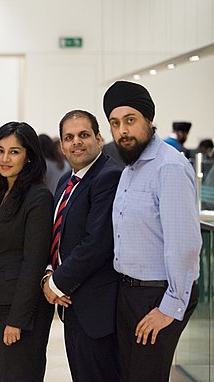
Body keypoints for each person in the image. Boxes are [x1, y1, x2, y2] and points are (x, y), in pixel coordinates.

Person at [103, 80, 201, 382]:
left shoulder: (168, 167)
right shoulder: (132, 168)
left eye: (130, 121)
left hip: (158, 295)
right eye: (115, 123)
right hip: (130, 292)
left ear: (149, 120)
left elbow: (184, 244)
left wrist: (170, 307)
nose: (122, 131)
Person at [41, 110, 122, 381]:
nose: (76, 142)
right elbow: (59, 237)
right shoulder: (67, 180)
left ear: (99, 139)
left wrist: (54, 285)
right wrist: (50, 273)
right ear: (61, 145)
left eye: (83, 135)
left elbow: (96, 244)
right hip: (73, 305)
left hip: (96, 309)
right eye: (69, 137)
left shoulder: (108, 176)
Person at [0, 122, 53, 381]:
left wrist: (18, 319)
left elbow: (33, 262)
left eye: (14, 152)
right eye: (0, 151)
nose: (5, 158)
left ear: (29, 156)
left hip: (21, 309)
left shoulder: (38, 197)